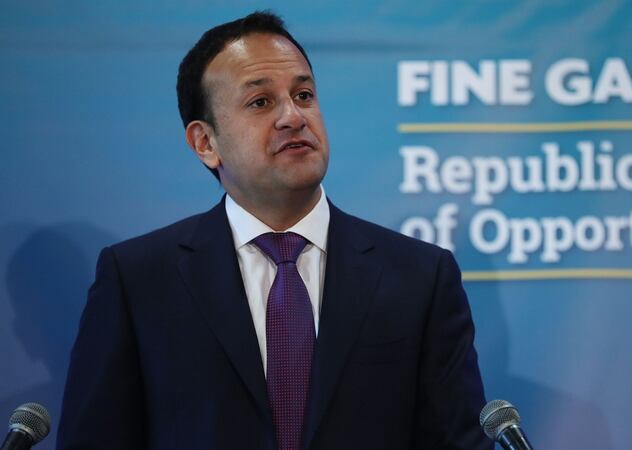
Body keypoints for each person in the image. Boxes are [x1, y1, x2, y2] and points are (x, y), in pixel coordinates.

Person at [57, 11, 491, 450]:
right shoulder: (139, 280)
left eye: (303, 95)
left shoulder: (420, 276)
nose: (293, 117)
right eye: (260, 102)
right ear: (205, 143)